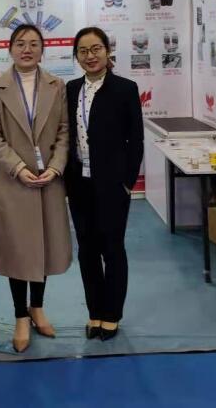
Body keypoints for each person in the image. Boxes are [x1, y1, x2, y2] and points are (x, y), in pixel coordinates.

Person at [0, 24, 72, 353]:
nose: (27, 49)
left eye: (34, 44)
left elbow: (64, 131)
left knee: (43, 246)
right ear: (10, 49)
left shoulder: (56, 85)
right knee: (17, 250)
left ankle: (38, 308)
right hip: (13, 181)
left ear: (42, 50)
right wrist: (18, 167)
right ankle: (20, 315)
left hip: (48, 180)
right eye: (20, 43)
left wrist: (55, 167)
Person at [65, 26, 144, 341]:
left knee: (112, 249)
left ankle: (112, 315)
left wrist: (127, 183)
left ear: (107, 51)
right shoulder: (71, 89)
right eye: (83, 51)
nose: (90, 56)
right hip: (79, 184)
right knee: (86, 251)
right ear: (77, 56)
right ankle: (95, 312)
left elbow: (135, 140)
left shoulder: (125, 89)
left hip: (112, 185)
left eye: (95, 49)